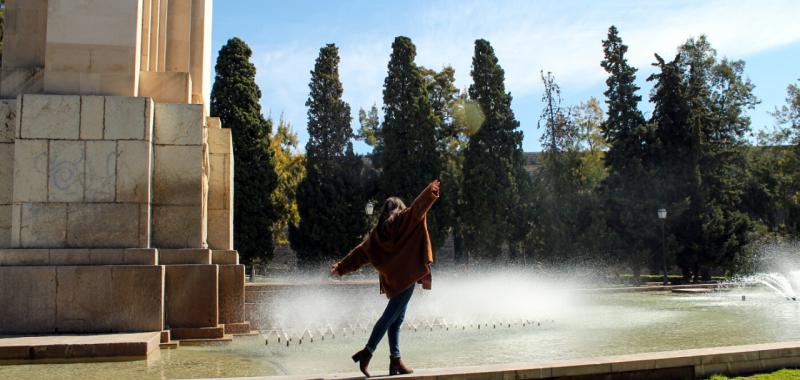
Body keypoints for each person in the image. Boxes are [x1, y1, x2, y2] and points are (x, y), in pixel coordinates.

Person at [330, 179, 440, 377]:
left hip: (393, 281)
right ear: (400, 208)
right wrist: (429, 192)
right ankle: (367, 353)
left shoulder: (377, 235)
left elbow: (360, 253)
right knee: (389, 317)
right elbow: (417, 208)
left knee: (396, 321)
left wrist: (341, 268)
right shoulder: (404, 220)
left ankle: (395, 360)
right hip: (407, 277)